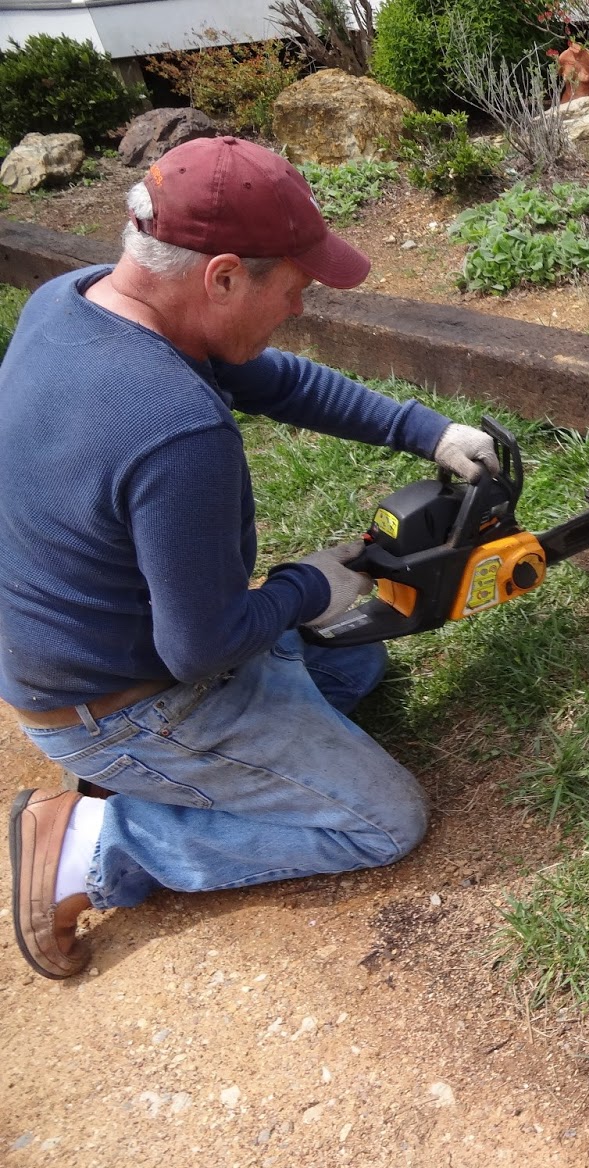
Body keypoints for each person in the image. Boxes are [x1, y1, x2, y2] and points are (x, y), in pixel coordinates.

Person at [2, 136, 501, 979]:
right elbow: (196, 649)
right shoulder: (174, 429)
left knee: (357, 663)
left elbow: (274, 379)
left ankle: (188, 768)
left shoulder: (75, 299)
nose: (299, 309)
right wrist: (314, 583)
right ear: (223, 276)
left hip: (85, 657)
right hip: (127, 703)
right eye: (293, 289)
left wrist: (427, 431)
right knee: (383, 822)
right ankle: (92, 840)